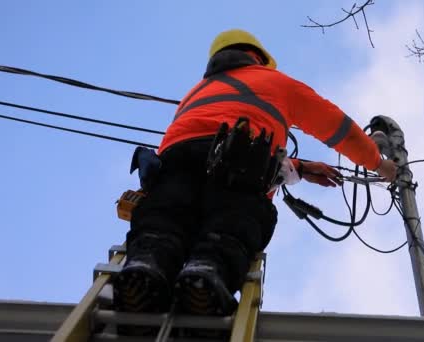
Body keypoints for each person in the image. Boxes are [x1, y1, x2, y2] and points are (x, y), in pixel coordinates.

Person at [113, 29, 397, 322]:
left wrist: (301, 168)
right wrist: (377, 163)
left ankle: (145, 267)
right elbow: (337, 127)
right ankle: (206, 274)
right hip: (239, 166)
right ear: (258, 58)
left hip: (174, 163)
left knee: (165, 219)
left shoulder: (195, 92)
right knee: (234, 220)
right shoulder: (275, 82)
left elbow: (209, 139)